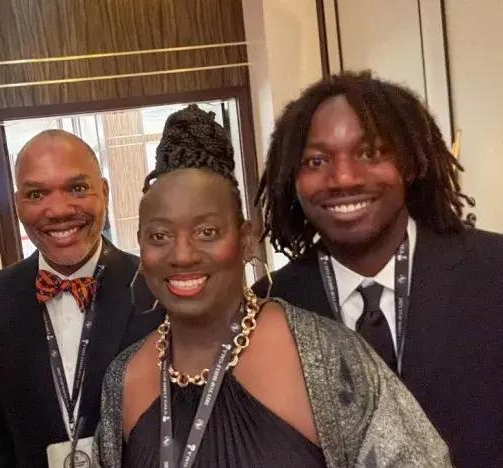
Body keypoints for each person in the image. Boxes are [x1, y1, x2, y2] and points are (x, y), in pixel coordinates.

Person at [96, 105, 450, 467]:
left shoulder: (327, 356)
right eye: (160, 235)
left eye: (207, 232)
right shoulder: (123, 379)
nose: (182, 255)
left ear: (247, 238)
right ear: (140, 246)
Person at [254, 71, 503, 467]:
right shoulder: (269, 307)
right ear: (292, 178)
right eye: (316, 160)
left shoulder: (493, 273)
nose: (344, 178)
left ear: (409, 163)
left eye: (370, 153)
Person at [0, 129, 162, 467]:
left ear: (105, 191)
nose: (57, 210)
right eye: (37, 193)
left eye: (77, 188)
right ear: (17, 204)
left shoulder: (157, 288)